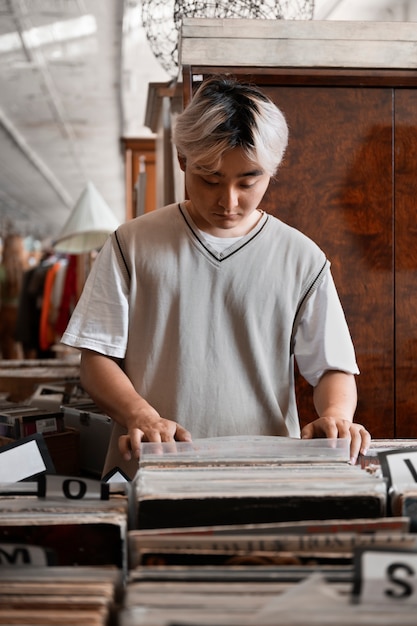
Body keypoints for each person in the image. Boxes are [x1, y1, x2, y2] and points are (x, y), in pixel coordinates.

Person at [61, 75, 371, 479]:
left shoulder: (302, 258)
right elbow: (96, 357)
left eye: (248, 181)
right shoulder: (131, 244)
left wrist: (336, 416)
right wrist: (141, 415)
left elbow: (332, 367)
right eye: (210, 178)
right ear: (182, 160)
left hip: (267, 470)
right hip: (152, 466)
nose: (228, 201)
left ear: (272, 170)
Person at [0, 233, 28, 359]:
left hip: (5, 312)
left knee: (7, 348)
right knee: (25, 348)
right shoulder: (26, 270)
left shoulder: (2, 270)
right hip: (23, 312)